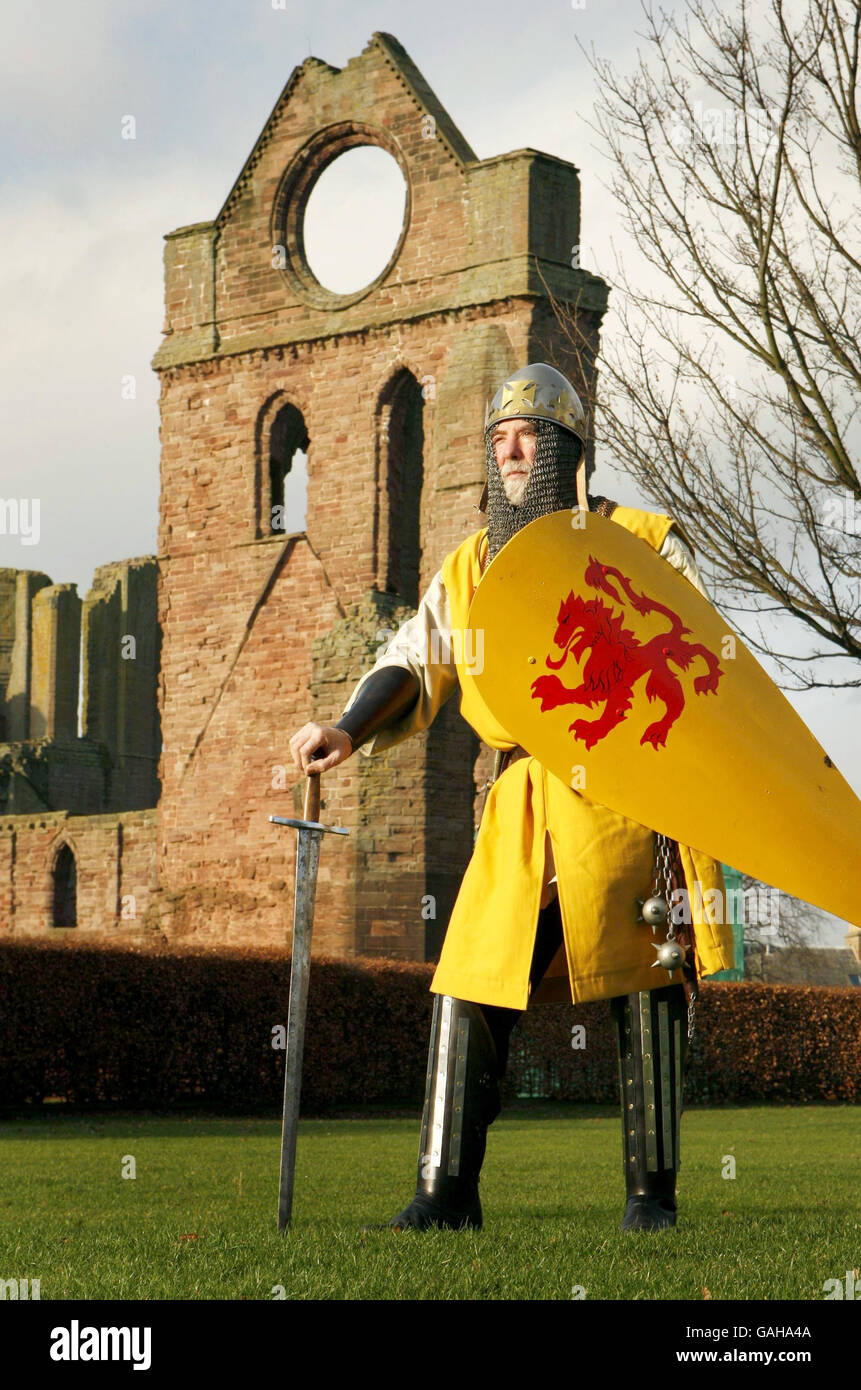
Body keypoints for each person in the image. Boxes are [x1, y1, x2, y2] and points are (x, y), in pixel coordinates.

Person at [289, 363, 736, 1233]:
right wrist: (345, 728)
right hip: (518, 801)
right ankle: (445, 1193)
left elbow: (698, 653)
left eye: (527, 435)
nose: (511, 450)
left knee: (645, 979)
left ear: (567, 446)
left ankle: (652, 1197)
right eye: (498, 439)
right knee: (469, 980)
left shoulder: (640, 537)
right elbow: (415, 655)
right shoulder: (468, 565)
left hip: (621, 792)